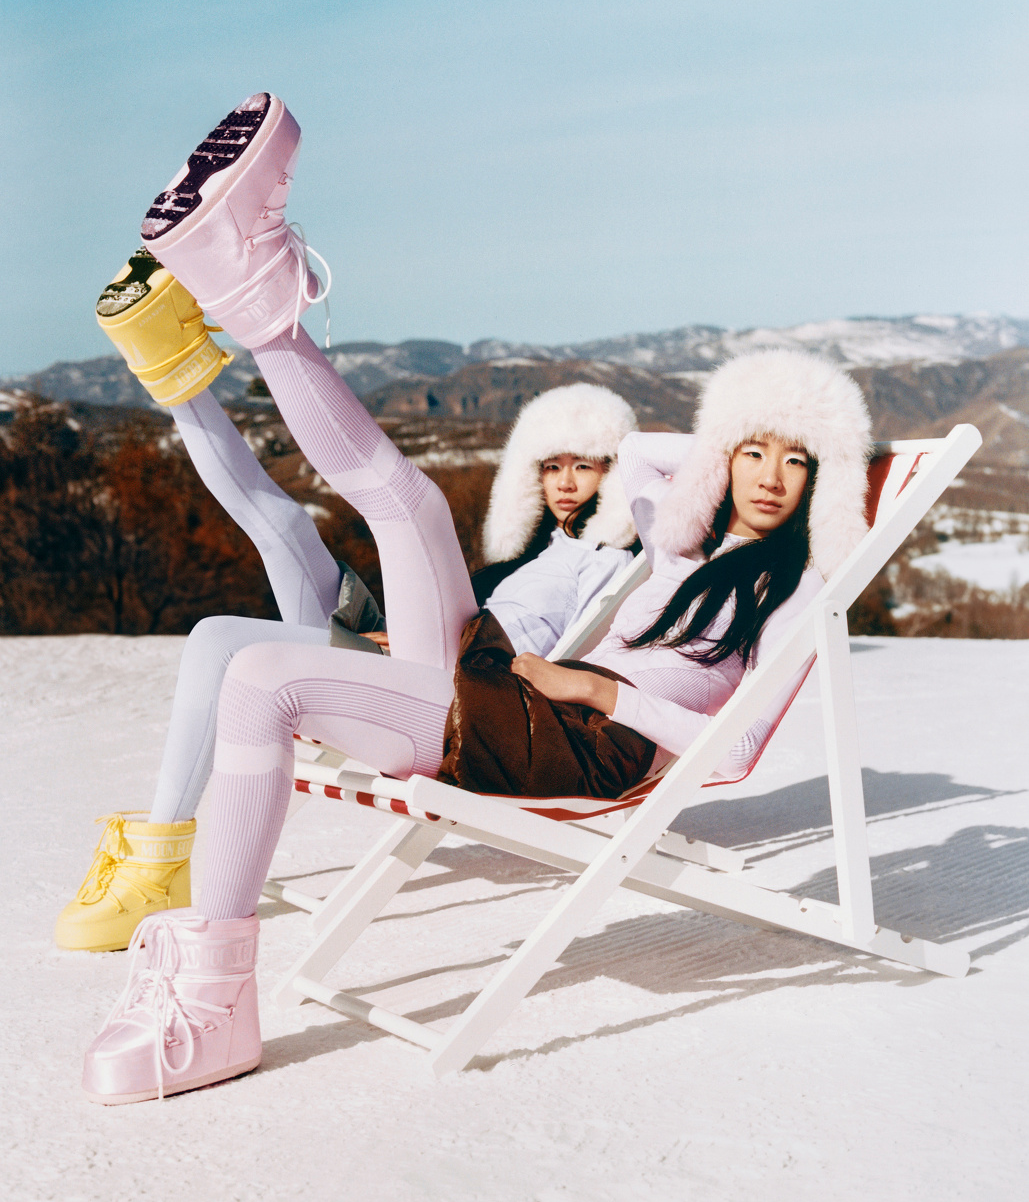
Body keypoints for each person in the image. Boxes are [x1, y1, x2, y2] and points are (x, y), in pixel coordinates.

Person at [80, 94, 871, 1104]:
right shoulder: (682, 546)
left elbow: (737, 751)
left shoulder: (800, 588)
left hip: (581, 738)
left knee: (264, 677)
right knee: (409, 505)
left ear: (825, 481)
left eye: (797, 461)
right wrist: (724, 440)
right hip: (521, 689)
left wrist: (599, 694)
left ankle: (214, 998)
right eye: (751, 452)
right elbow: (638, 453)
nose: (768, 474)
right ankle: (252, 290)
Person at [56, 236, 639, 951]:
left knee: (390, 520)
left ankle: (158, 860)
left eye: (587, 465)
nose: (567, 482)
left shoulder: (615, 563)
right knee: (272, 542)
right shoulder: (529, 558)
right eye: (553, 466)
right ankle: (165, 358)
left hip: (465, 696)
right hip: (411, 660)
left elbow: (579, 660)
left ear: (617, 474)